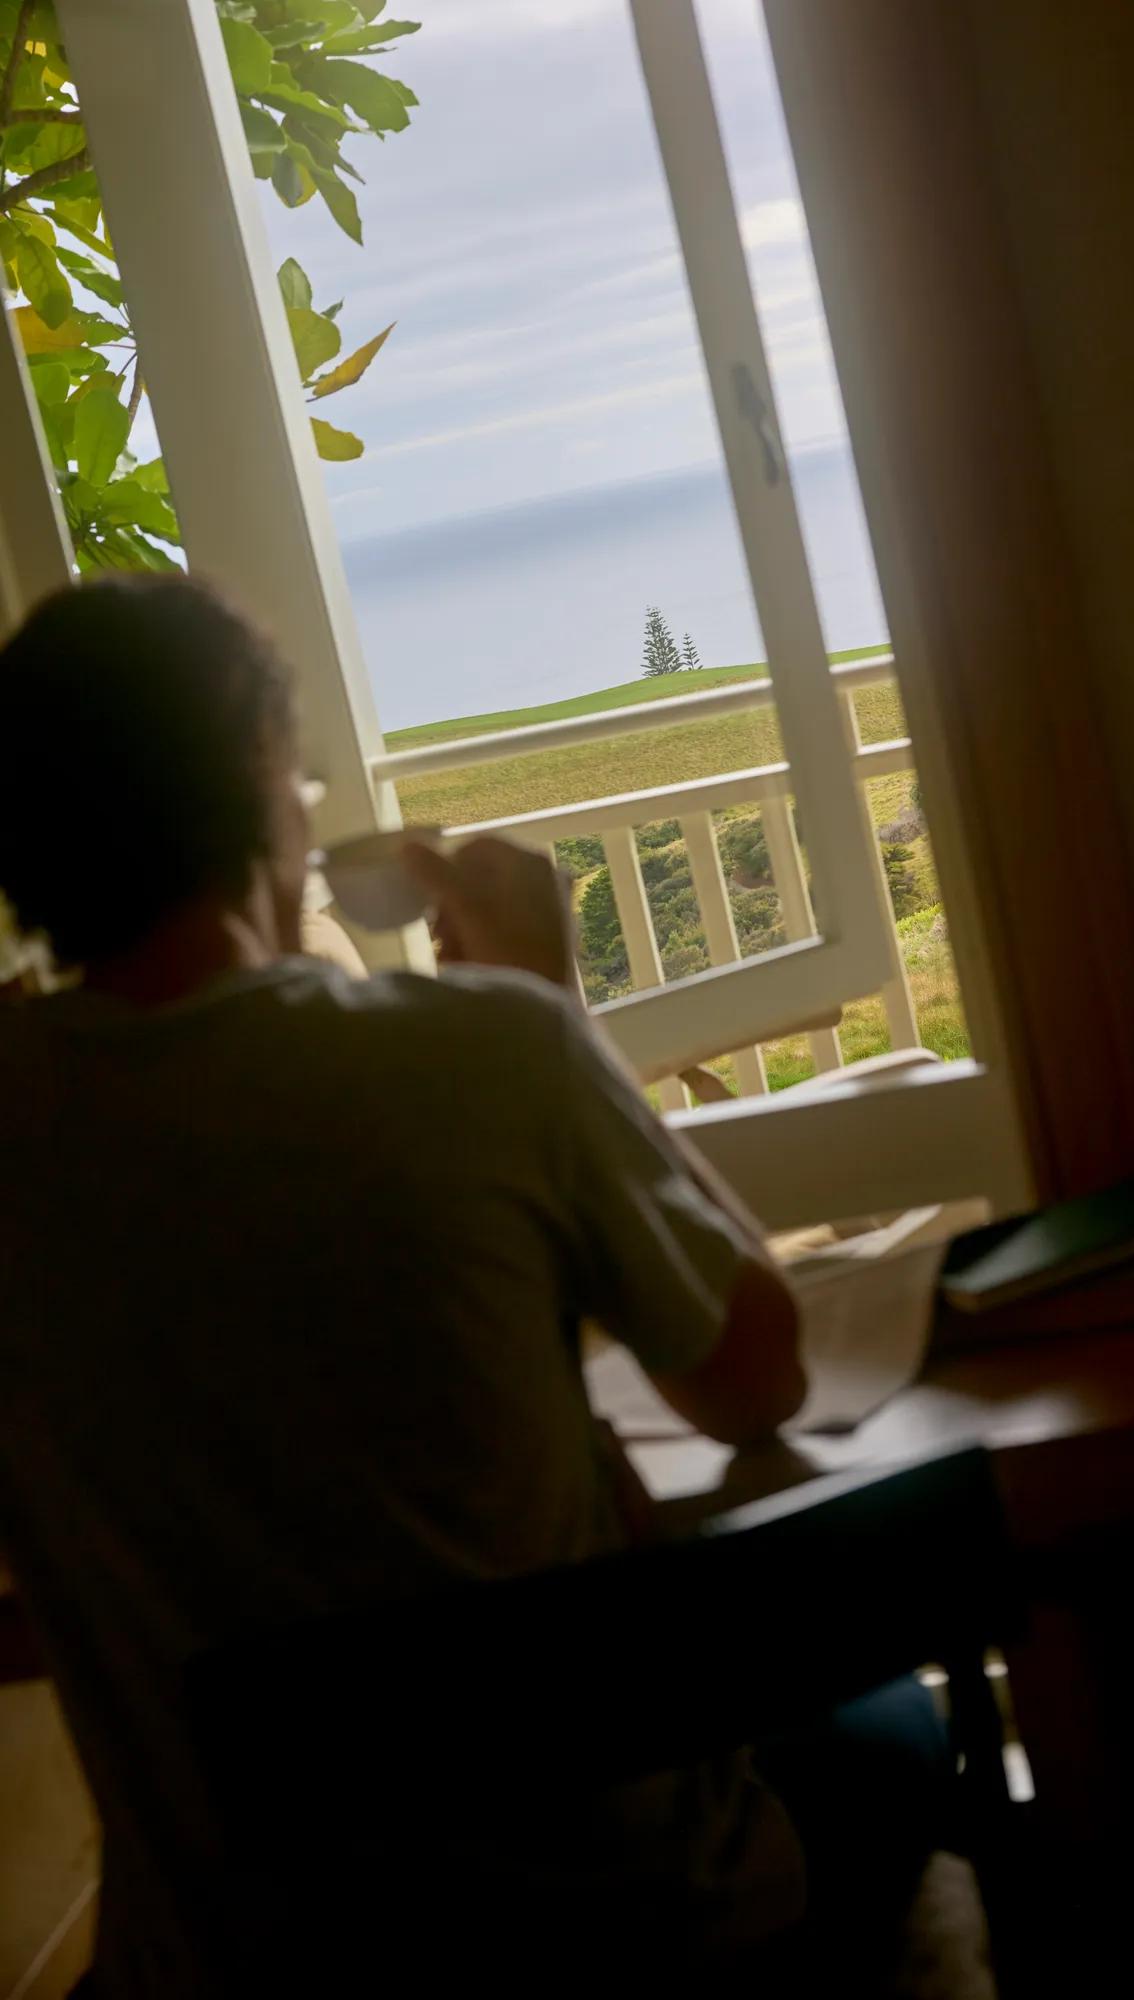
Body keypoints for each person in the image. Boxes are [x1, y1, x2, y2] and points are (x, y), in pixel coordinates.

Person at [0, 575, 816, 1994]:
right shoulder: (489, 1050)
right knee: (873, 1738)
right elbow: (756, 1382)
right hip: (612, 1933)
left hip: (230, 1966)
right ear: (265, 793)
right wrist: (556, 1006)